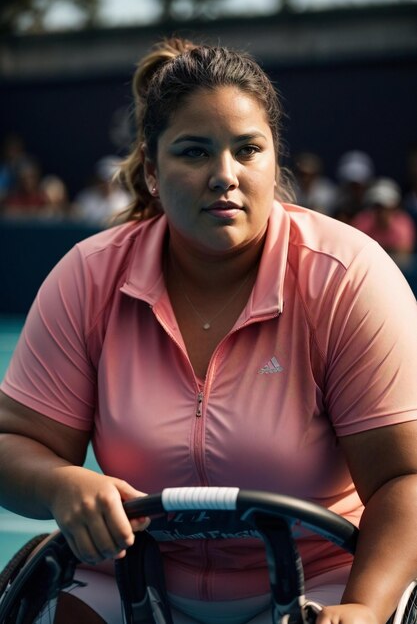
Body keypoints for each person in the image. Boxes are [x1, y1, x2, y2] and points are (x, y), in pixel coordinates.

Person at [0, 37, 417, 624]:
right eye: (194, 153)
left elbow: (407, 476)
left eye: (248, 150)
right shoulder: (88, 276)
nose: (226, 175)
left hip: (325, 580)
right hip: (129, 574)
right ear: (150, 171)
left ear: (275, 161)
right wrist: (59, 483)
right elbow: (13, 445)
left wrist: (366, 608)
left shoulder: (349, 277)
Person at [351, 177, 415, 263]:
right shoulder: (362, 220)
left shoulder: (403, 222)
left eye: (385, 207)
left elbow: (404, 255)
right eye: (377, 207)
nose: (381, 212)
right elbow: (356, 250)